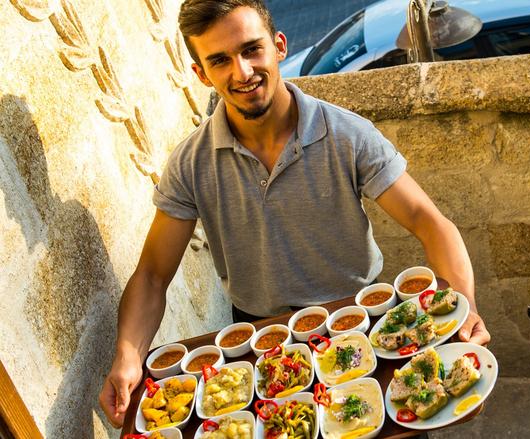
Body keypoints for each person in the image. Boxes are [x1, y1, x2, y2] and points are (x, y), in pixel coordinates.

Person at [99, 0, 491, 428]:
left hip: (361, 322)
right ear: (201, 75)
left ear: (279, 45)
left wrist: (465, 308)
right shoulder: (190, 164)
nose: (242, 72)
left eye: (252, 50)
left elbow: (430, 223)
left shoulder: (348, 134)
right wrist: (128, 356)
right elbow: (153, 274)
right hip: (261, 340)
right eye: (220, 60)